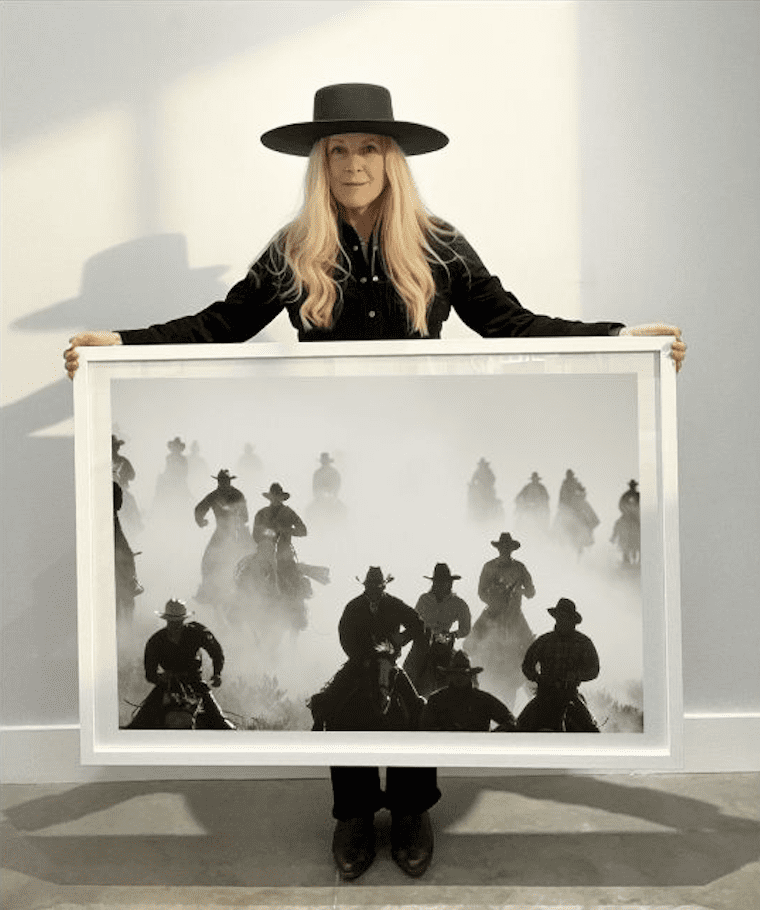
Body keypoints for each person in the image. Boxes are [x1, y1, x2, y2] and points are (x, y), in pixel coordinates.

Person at [63, 82, 686, 878]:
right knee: (349, 669)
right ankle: (355, 811)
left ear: (391, 159)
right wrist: (120, 342)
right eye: (337, 150)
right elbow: (218, 325)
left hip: (408, 465)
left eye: (368, 148)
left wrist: (618, 339)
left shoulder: (439, 244)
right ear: (320, 163)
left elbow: (510, 323)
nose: (353, 163)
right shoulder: (295, 248)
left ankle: (413, 808)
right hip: (336, 460)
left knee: (423, 664)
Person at [309, 566, 434, 880]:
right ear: (366, 587)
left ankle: (411, 807)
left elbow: (419, 626)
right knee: (329, 702)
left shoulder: (396, 606)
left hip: (390, 664)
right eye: (371, 586)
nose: (375, 590)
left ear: (384, 586)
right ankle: (355, 810)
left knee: (418, 710)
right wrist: (362, 657)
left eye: (378, 586)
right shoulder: (353, 608)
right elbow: (345, 636)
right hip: (359, 665)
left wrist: (398, 643)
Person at [126, 598, 235, 730]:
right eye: (172, 622)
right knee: (138, 725)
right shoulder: (156, 641)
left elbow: (216, 652)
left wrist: (217, 673)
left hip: (195, 682)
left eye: (178, 622)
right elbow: (150, 674)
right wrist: (160, 677)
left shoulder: (196, 632)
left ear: (183, 620)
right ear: (166, 620)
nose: (175, 625)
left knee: (220, 722)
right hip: (167, 685)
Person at [467, 531, 536, 709]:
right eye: (503, 548)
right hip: (492, 613)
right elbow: (481, 592)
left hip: (515, 616)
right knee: (470, 643)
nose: (505, 551)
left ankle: (535, 691)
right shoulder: (489, 567)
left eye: (508, 548)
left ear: (511, 549)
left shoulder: (520, 568)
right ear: (499, 549)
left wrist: (520, 591)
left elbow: (531, 592)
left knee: (532, 650)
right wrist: (494, 598)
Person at [517, 597, 600, 732]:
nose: (563, 620)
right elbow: (527, 665)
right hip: (544, 695)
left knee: (590, 730)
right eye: (560, 617)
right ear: (556, 618)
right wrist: (537, 677)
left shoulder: (583, 643)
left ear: (572, 620)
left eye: (566, 617)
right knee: (518, 726)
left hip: (569, 694)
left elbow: (593, 670)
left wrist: (577, 676)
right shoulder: (544, 641)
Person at [403, 562, 471, 696]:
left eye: (444, 582)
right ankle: (406, 696)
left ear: (450, 583)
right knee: (409, 671)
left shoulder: (459, 604)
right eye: (438, 582)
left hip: (445, 643)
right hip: (423, 642)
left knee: (463, 667)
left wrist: (453, 635)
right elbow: (414, 622)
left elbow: (466, 628)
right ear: (433, 583)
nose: (441, 585)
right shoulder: (424, 600)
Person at [421, 649, 517, 732]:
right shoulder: (436, 700)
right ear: (450, 675)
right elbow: (425, 728)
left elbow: (510, 721)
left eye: (463, 673)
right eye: (456, 673)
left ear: (470, 676)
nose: (459, 677)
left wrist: (490, 737)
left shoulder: (483, 700)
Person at [194, 469, 252, 604]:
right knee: (207, 560)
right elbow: (199, 509)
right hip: (222, 531)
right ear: (218, 482)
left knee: (252, 557)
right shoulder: (218, 495)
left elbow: (245, 517)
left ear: (229, 481)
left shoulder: (236, 495)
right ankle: (206, 590)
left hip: (235, 531)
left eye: (225, 481)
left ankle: (253, 587)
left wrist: (233, 516)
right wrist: (200, 521)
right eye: (221, 481)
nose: (223, 484)